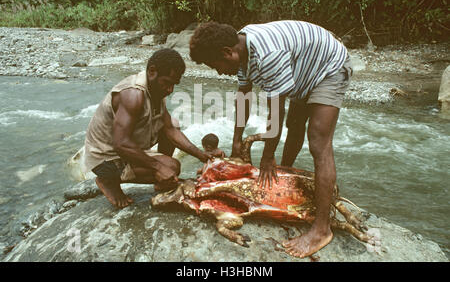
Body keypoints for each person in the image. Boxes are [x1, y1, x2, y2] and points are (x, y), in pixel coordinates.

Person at [189, 20, 353, 258]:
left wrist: (267, 157)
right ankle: (285, 173)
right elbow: (243, 96)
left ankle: (321, 229)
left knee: (318, 140)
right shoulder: (242, 46)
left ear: (227, 52)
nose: (218, 71)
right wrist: (236, 139)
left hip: (327, 68)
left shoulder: (269, 55)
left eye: (215, 65)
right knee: (294, 126)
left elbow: (275, 113)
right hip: (301, 70)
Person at [84, 48, 216, 209]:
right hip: (106, 157)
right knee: (172, 166)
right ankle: (108, 180)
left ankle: (161, 179)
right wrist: (159, 167)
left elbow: (170, 129)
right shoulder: (133, 95)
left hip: (126, 147)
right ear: (152, 71)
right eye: (167, 83)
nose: (170, 90)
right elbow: (121, 143)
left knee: (173, 123)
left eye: (173, 84)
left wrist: (202, 156)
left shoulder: (155, 90)